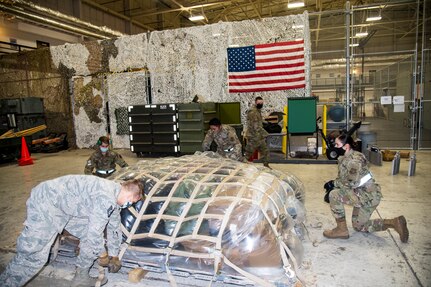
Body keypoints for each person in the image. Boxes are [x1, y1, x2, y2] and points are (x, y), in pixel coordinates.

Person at [0, 175, 145, 287]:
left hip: (66, 209)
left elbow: (114, 228)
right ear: (131, 196)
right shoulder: (106, 197)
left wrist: (114, 255)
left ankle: (81, 277)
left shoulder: (115, 198)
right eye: (131, 202)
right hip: (47, 202)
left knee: (90, 237)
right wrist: (102, 255)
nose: (128, 205)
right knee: (34, 256)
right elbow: (95, 232)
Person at [323, 134, 409, 243]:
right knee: (358, 226)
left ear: (346, 146)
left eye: (337, 144)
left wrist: (333, 184)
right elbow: (345, 179)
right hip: (362, 194)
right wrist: (336, 184)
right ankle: (394, 222)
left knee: (334, 195)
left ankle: (341, 230)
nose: (335, 146)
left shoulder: (354, 161)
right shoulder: (346, 157)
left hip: (367, 196)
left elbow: (351, 182)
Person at [244, 96, 270, 168]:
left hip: (259, 136)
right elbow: (255, 126)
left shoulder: (258, 111)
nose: (261, 104)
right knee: (248, 153)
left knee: (265, 151)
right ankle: (241, 166)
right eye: (259, 103)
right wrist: (265, 133)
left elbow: (258, 122)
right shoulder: (253, 112)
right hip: (254, 136)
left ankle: (266, 166)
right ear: (255, 103)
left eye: (262, 103)